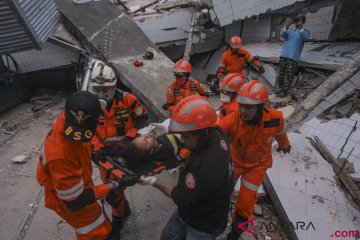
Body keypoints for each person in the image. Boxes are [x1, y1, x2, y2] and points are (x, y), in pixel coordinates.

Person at [36, 91, 131, 240]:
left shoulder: (70, 118)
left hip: (77, 183)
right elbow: (76, 200)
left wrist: (97, 150)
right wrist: (112, 186)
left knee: (100, 219)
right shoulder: (60, 155)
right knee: (98, 232)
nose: (79, 138)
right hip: (69, 201)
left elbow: (84, 140)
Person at [140, 95, 234, 240]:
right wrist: (168, 129)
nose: (182, 141)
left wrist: (153, 182)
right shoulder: (217, 133)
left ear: (203, 132)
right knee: (168, 236)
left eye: (186, 137)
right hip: (191, 209)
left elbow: (179, 195)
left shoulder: (204, 168)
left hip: (203, 223)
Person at [218, 80, 291, 240]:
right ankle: (218, 221)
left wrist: (285, 145)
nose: (243, 110)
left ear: (261, 106)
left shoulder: (275, 118)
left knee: (246, 205)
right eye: (241, 105)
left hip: (257, 167)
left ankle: (235, 234)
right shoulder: (232, 120)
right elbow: (213, 136)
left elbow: (280, 133)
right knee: (222, 193)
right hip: (235, 161)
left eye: (248, 107)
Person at [89, 64, 148, 238]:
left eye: (105, 89)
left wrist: (130, 137)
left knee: (119, 186)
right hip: (105, 155)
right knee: (112, 191)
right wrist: (97, 148)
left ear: (114, 87)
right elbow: (88, 129)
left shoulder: (127, 100)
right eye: (97, 89)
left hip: (125, 150)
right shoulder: (90, 105)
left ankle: (119, 215)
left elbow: (142, 117)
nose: (100, 94)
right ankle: (121, 211)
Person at [277, 14, 310, 97]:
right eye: (296, 20)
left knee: (288, 75)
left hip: (293, 57)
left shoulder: (305, 31)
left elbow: (305, 37)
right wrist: (287, 26)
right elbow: (283, 35)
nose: (297, 22)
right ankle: (279, 89)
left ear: (303, 21)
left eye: (299, 20)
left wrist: (300, 28)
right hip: (284, 55)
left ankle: (284, 92)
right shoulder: (290, 30)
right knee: (281, 73)